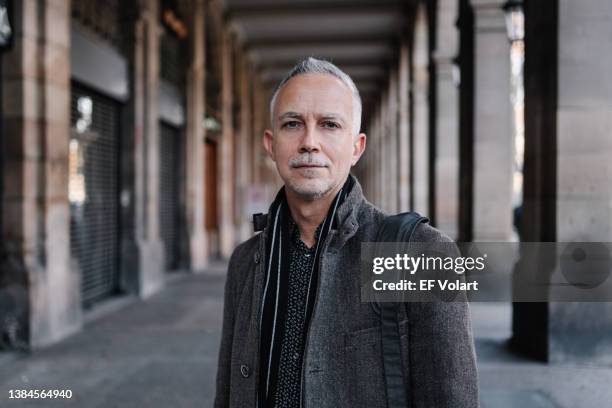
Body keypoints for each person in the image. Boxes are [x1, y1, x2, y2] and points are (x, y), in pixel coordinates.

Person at [214, 57, 478, 408]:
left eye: (329, 125)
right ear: (271, 144)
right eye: (292, 124)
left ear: (357, 147)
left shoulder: (422, 255)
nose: (309, 142)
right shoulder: (246, 261)